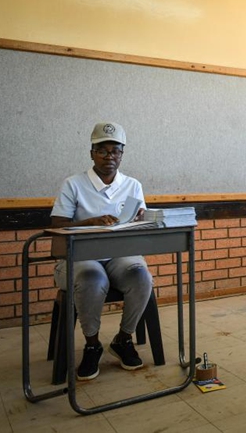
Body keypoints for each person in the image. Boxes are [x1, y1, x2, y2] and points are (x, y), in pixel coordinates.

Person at [50, 121, 153, 380]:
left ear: (122, 154)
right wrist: (89, 222)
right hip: (81, 258)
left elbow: (138, 222)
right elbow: (57, 224)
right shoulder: (74, 184)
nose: (109, 156)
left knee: (141, 275)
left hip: (118, 255)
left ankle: (123, 338)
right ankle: (92, 344)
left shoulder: (132, 185)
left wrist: (142, 219)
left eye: (115, 151)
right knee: (92, 279)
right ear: (91, 153)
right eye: (102, 150)